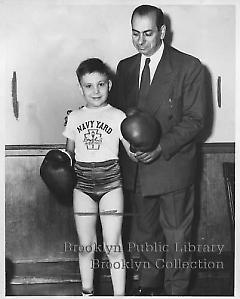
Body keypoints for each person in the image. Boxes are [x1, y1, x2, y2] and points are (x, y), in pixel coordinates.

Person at [109, 5, 206, 296]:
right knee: (145, 234)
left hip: (173, 165)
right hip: (137, 168)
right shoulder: (125, 67)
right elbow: (116, 115)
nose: (141, 41)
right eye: (135, 34)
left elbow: (196, 120)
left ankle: (176, 292)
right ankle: (149, 288)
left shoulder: (189, 67)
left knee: (177, 237)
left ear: (162, 32)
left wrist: (161, 147)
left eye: (148, 34)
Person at [63, 58, 133, 296]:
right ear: (80, 88)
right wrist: (59, 163)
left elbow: (132, 153)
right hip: (82, 185)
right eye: (89, 86)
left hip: (111, 183)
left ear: (109, 85)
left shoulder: (118, 116)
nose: (95, 91)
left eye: (101, 84)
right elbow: (68, 153)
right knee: (85, 246)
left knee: (114, 244)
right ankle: (87, 293)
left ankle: (119, 296)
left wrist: (143, 141)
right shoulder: (74, 117)